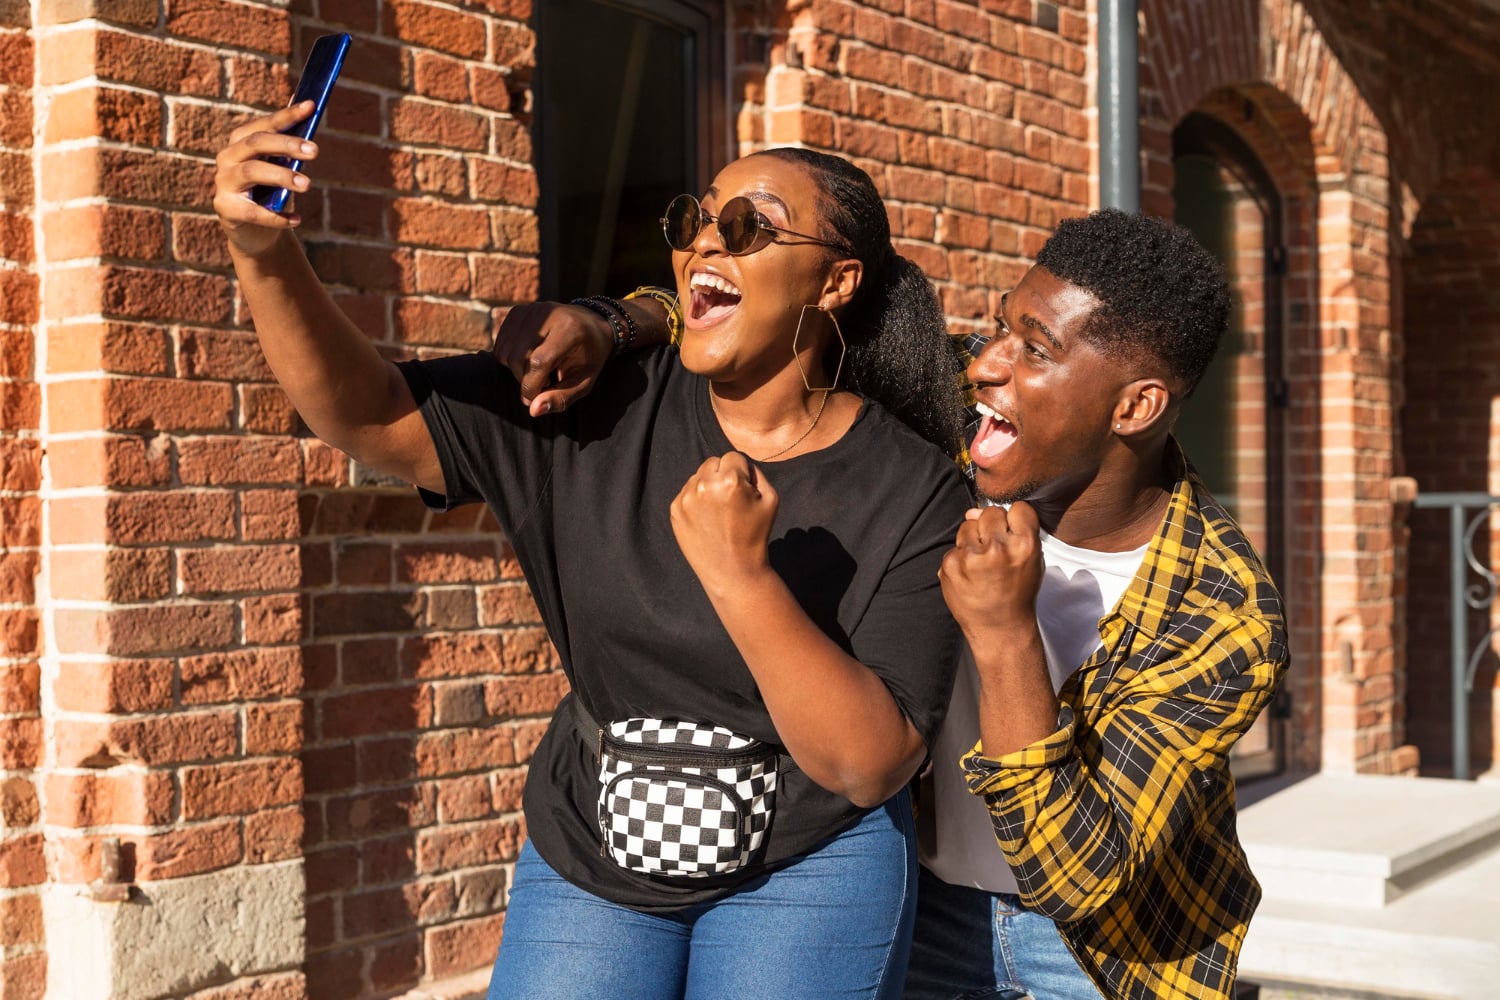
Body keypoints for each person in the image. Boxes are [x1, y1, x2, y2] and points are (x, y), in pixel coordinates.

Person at [213, 101, 970, 999]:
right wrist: (263, 254)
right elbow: (369, 415)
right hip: (598, 852)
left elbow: (868, 761)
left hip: (807, 866)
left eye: (746, 228)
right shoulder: (592, 405)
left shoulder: (916, 486)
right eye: (694, 222)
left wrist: (738, 575)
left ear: (836, 282)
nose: (705, 246)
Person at [503, 209, 1289, 1000]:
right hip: (922, 907)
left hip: (1105, 952)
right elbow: (780, 309)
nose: (988, 365)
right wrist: (615, 321)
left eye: (1035, 350)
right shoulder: (945, 424)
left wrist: (1006, 632)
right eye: (999, 330)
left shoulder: (1224, 612)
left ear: (1134, 408)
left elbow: (1071, 878)